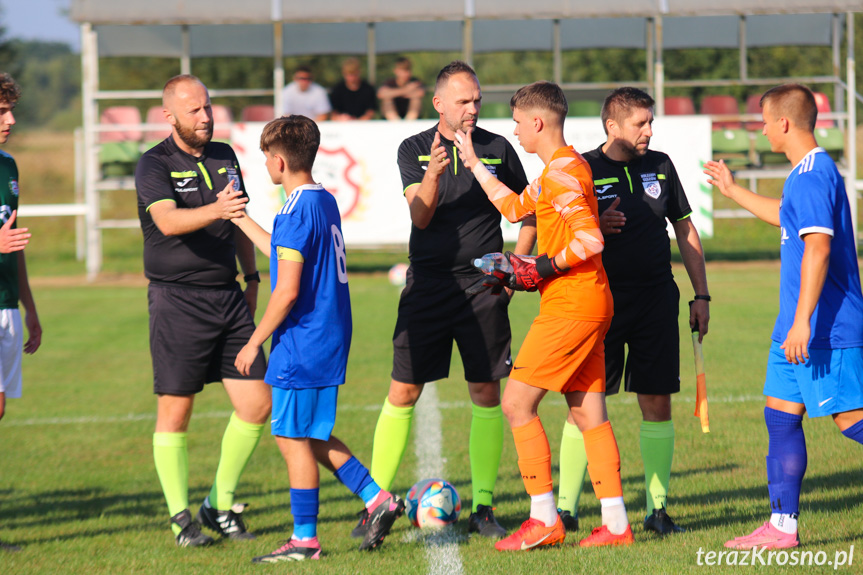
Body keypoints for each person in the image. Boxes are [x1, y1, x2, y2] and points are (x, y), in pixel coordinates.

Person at [357, 61, 535, 540]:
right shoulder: (414, 148)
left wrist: (515, 267)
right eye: (463, 101)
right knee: (403, 391)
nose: (473, 107)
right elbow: (419, 216)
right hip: (429, 286)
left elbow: (527, 211)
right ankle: (374, 503)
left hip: (484, 287)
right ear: (439, 104)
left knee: (485, 392)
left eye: (477, 99)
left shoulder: (498, 148)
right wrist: (434, 173)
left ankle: (483, 507)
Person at [455, 80, 633, 550]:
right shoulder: (560, 167)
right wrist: (473, 162)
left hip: (572, 304)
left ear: (536, 122)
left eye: (516, 122)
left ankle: (544, 518)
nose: (513, 131)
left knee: (515, 404)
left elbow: (590, 240)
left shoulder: (562, 173)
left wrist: (541, 267)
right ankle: (616, 524)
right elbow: (514, 209)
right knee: (588, 411)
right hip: (587, 300)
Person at [232, 115, 404, 563]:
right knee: (309, 433)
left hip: (302, 340)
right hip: (327, 333)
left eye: (266, 157)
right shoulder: (321, 200)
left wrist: (254, 342)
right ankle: (376, 498)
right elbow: (286, 253)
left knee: (292, 438)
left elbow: (286, 289)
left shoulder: (292, 211)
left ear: (280, 160)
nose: (265, 164)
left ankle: (305, 539)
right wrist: (242, 220)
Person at [705, 84, 863, 550]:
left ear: (785, 124)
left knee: (851, 420)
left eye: (765, 122)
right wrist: (733, 191)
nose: (763, 130)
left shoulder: (814, 174)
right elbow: (785, 217)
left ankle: (782, 525)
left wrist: (802, 321)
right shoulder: (803, 174)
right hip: (795, 329)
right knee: (780, 417)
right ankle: (782, 527)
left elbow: (817, 246)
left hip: (823, 330)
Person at [555, 87, 710, 535]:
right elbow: (555, 233)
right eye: (640, 123)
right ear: (612, 126)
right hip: (598, 301)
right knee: (583, 405)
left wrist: (701, 296)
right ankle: (566, 509)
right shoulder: (582, 167)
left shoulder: (660, 165)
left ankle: (657, 509)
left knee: (657, 401)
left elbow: (685, 229)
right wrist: (593, 225)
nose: (649, 130)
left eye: (650, 121)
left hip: (656, 300)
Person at [135, 74, 271, 547]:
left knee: (258, 405)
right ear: (169, 116)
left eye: (208, 107)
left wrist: (252, 279)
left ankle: (217, 503)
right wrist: (216, 208)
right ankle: (180, 520)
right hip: (177, 302)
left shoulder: (224, 155)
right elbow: (168, 222)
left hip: (229, 298)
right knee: (176, 411)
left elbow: (237, 221)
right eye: (194, 111)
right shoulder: (153, 164)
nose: (206, 117)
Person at [0, 72, 41, 554]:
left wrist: (30, 306)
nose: (10, 121)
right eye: (1, 113)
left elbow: (15, 241)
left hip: (7, 305)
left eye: (11, 111)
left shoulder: (8, 166)